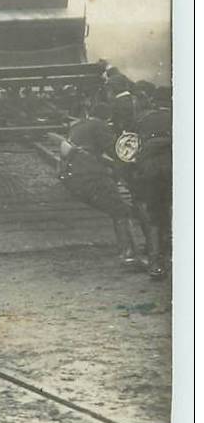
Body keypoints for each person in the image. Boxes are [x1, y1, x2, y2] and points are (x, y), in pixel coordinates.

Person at [59, 103, 141, 269]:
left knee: (117, 209)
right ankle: (128, 255)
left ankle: (128, 253)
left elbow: (85, 151)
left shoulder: (78, 126)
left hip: (72, 175)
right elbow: (115, 151)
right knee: (121, 211)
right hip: (91, 176)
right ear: (108, 117)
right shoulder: (100, 126)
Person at [120, 90, 172, 282]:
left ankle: (156, 264)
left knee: (155, 217)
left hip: (150, 170)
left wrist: (129, 175)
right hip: (178, 165)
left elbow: (125, 151)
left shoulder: (141, 119)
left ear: (152, 102)